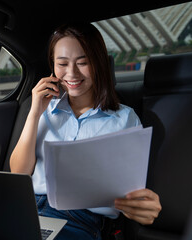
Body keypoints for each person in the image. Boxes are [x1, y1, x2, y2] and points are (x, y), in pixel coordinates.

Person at [10, 22, 161, 240]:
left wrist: (142, 206)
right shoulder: (42, 108)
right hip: (27, 209)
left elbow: (132, 192)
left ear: (98, 64)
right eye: (62, 63)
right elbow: (18, 173)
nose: (71, 73)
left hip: (80, 221)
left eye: (83, 63)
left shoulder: (124, 118)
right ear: (53, 67)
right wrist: (34, 113)